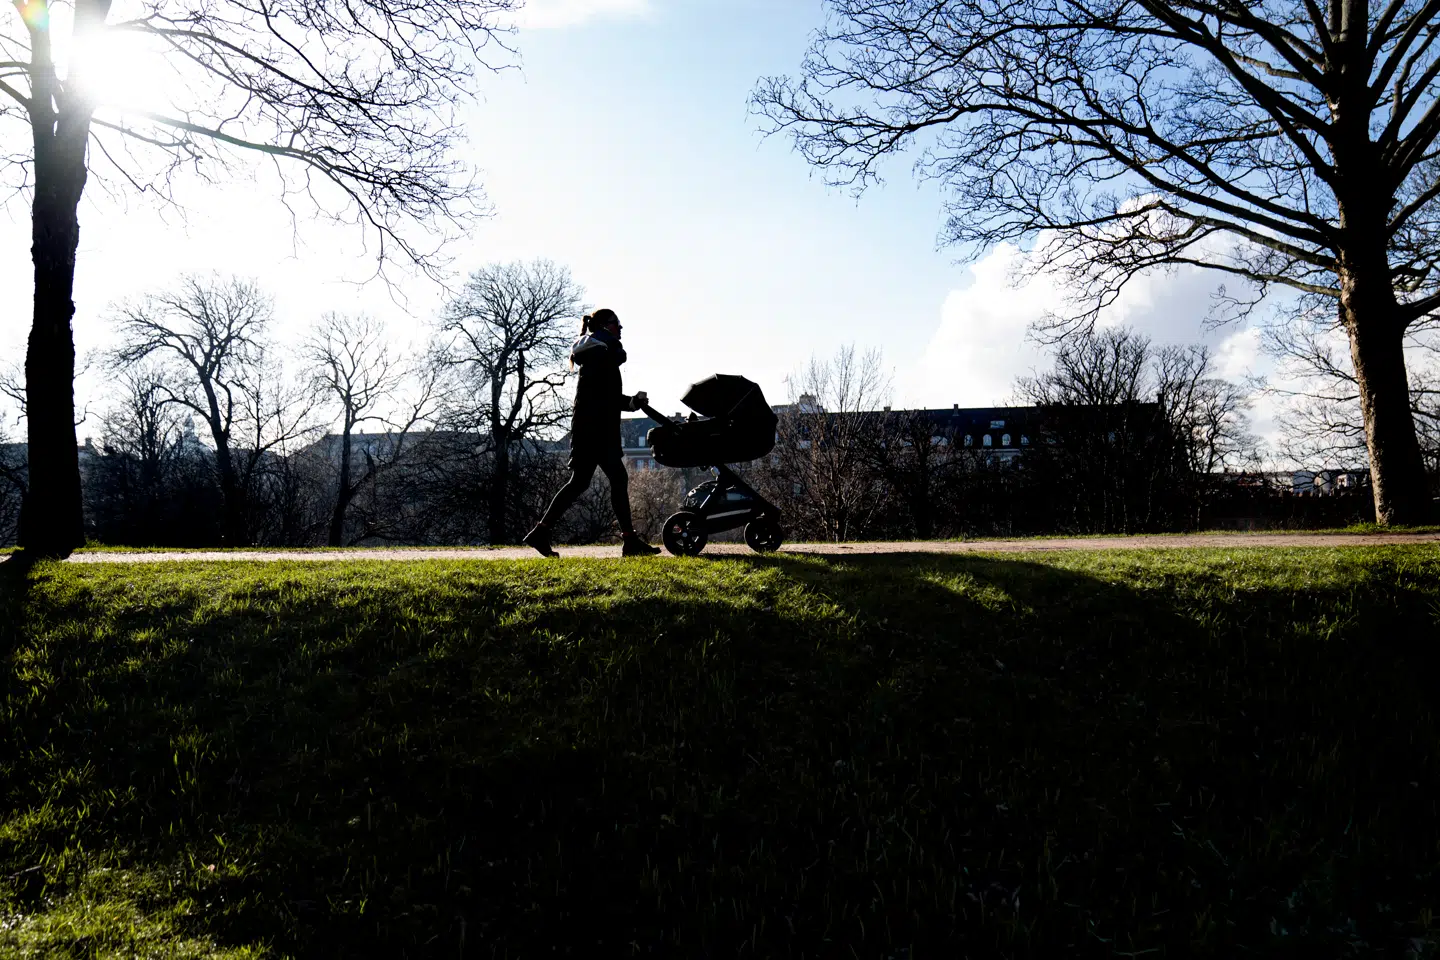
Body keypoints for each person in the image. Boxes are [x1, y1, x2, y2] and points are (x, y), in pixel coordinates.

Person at [523, 308, 661, 557]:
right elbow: (605, 396)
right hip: (597, 429)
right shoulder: (603, 353)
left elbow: (605, 395)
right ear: (606, 326)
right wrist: (629, 401)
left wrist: (631, 403)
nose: (621, 330)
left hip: (590, 427)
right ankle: (629, 541)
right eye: (618, 324)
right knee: (616, 479)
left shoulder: (597, 354)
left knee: (580, 482)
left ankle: (541, 532)